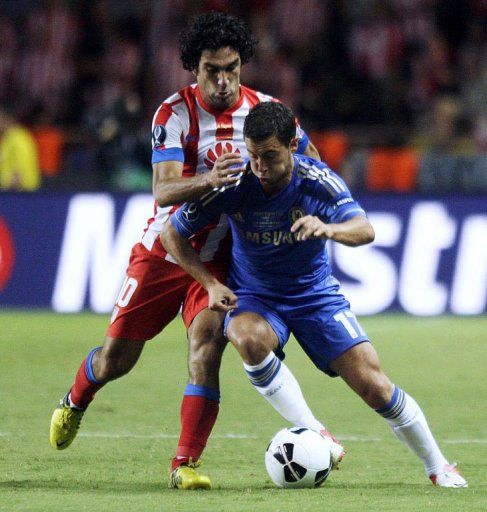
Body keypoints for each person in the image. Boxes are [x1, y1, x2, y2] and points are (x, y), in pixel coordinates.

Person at [49, 12, 320, 490]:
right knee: (117, 359)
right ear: (192, 69)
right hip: (164, 252)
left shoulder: (265, 110)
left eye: (231, 68)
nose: (222, 80)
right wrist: (209, 180)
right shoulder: (172, 114)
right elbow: (163, 190)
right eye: (211, 70)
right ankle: (75, 399)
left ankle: (185, 464)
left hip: (221, 260)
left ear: (242, 65)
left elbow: (311, 162)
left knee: (208, 345)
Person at [160, 101, 468, 488]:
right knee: (244, 336)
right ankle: (315, 430)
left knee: (374, 385)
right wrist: (209, 283)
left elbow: (365, 229)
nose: (260, 166)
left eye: (269, 156)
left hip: (314, 296)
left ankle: (438, 466)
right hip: (257, 296)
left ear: (292, 145)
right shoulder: (234, 181)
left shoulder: (317, 179)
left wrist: (328, 229)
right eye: (253, 155)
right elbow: (171, 233)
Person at [0, 105, 41, 191]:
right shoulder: (8, 138)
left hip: (21, 194)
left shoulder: (19, 139)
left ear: (5, 119)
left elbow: (21, 171)